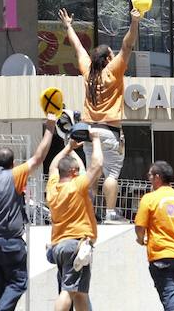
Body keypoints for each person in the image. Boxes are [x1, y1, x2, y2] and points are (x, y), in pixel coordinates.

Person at [58, 5, 142, 223]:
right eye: (111, 56)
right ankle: (111, 213)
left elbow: (78, 48)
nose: (114, 57)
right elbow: (127, 44)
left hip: (88, 131)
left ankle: (88, 212)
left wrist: (68, 26)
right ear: (107, 60)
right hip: (110, 131)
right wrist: (134, 22)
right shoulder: (112, 72)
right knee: (111, 173)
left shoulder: (88, 72)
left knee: (93, 173)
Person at [0, 115, 58, 311]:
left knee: (0, 290)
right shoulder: (15, 176)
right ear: (13, 163)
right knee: (18, 283)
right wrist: (50, 128)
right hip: (11, 243)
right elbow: (39, 157)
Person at [46, 130, 103, 311]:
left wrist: (69, 147)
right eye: (77, 171)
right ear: (72, 172)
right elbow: (97, 165)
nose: (80, 173)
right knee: (69, 291)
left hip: (59, 246)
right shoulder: (76, 186)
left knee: (80, 292)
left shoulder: (53, 188)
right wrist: (95, 140)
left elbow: (52, 167)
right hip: (76, 244)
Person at [134, 161, 174, 311]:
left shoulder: (149, 199)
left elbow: (139, 226)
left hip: (161, 256)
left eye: (150, 175)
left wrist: (140, 238)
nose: (148, 178)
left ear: (157, 177)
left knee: (171, 302)